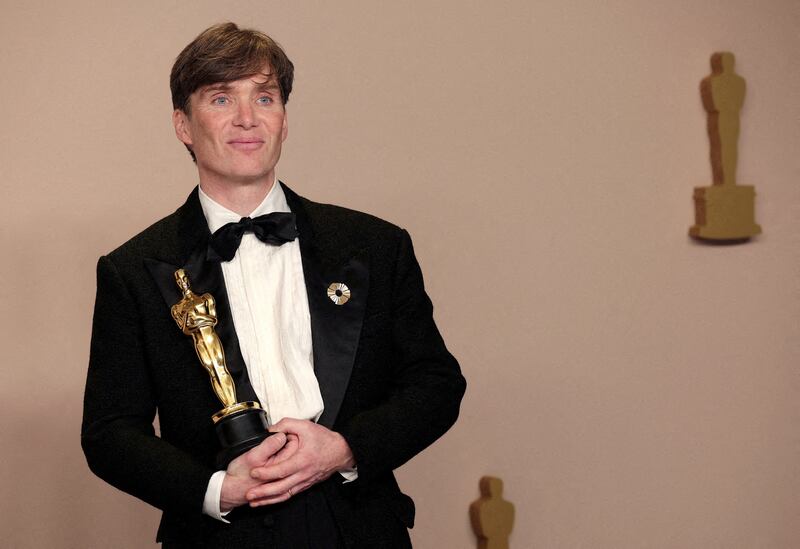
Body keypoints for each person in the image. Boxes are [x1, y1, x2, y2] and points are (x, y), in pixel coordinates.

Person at [81, 22, 465, 548]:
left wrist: (346, 448)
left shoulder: (376, 245)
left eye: (264, 97)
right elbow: (110, 434)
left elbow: (436, 383)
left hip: (357, 526)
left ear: (283, 120)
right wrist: (219, 488)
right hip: (220, 537)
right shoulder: (133, 267)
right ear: (183, 125)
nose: (246, 119)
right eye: (220, 98)